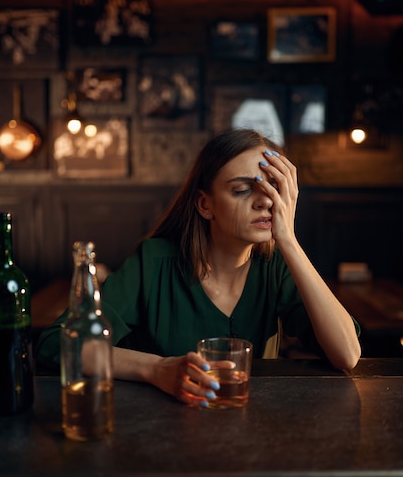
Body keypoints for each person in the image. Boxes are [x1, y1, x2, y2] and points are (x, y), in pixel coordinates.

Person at [36, 129, 361, 407]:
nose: (263, 201)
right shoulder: (154, 262)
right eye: (242, 189)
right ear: (206, 205)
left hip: (252, 432)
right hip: (159, 432)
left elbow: (347, 355)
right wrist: (157, 369)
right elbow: (58, 344)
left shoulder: (276, 263)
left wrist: (288, 239)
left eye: (272, 187)